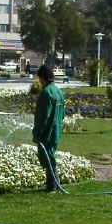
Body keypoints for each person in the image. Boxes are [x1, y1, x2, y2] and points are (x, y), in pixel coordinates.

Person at [32, 64, 66, 192]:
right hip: (56, 130)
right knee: (50, 155)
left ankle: (52, 187)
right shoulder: (59, 92)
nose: (39, 81)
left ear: (43, 78)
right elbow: (63, 114)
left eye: (39, 78)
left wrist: (37, 133)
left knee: (48, 158)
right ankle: (54, 185)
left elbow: (42, 117)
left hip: (47, 132)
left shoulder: (46, 93)